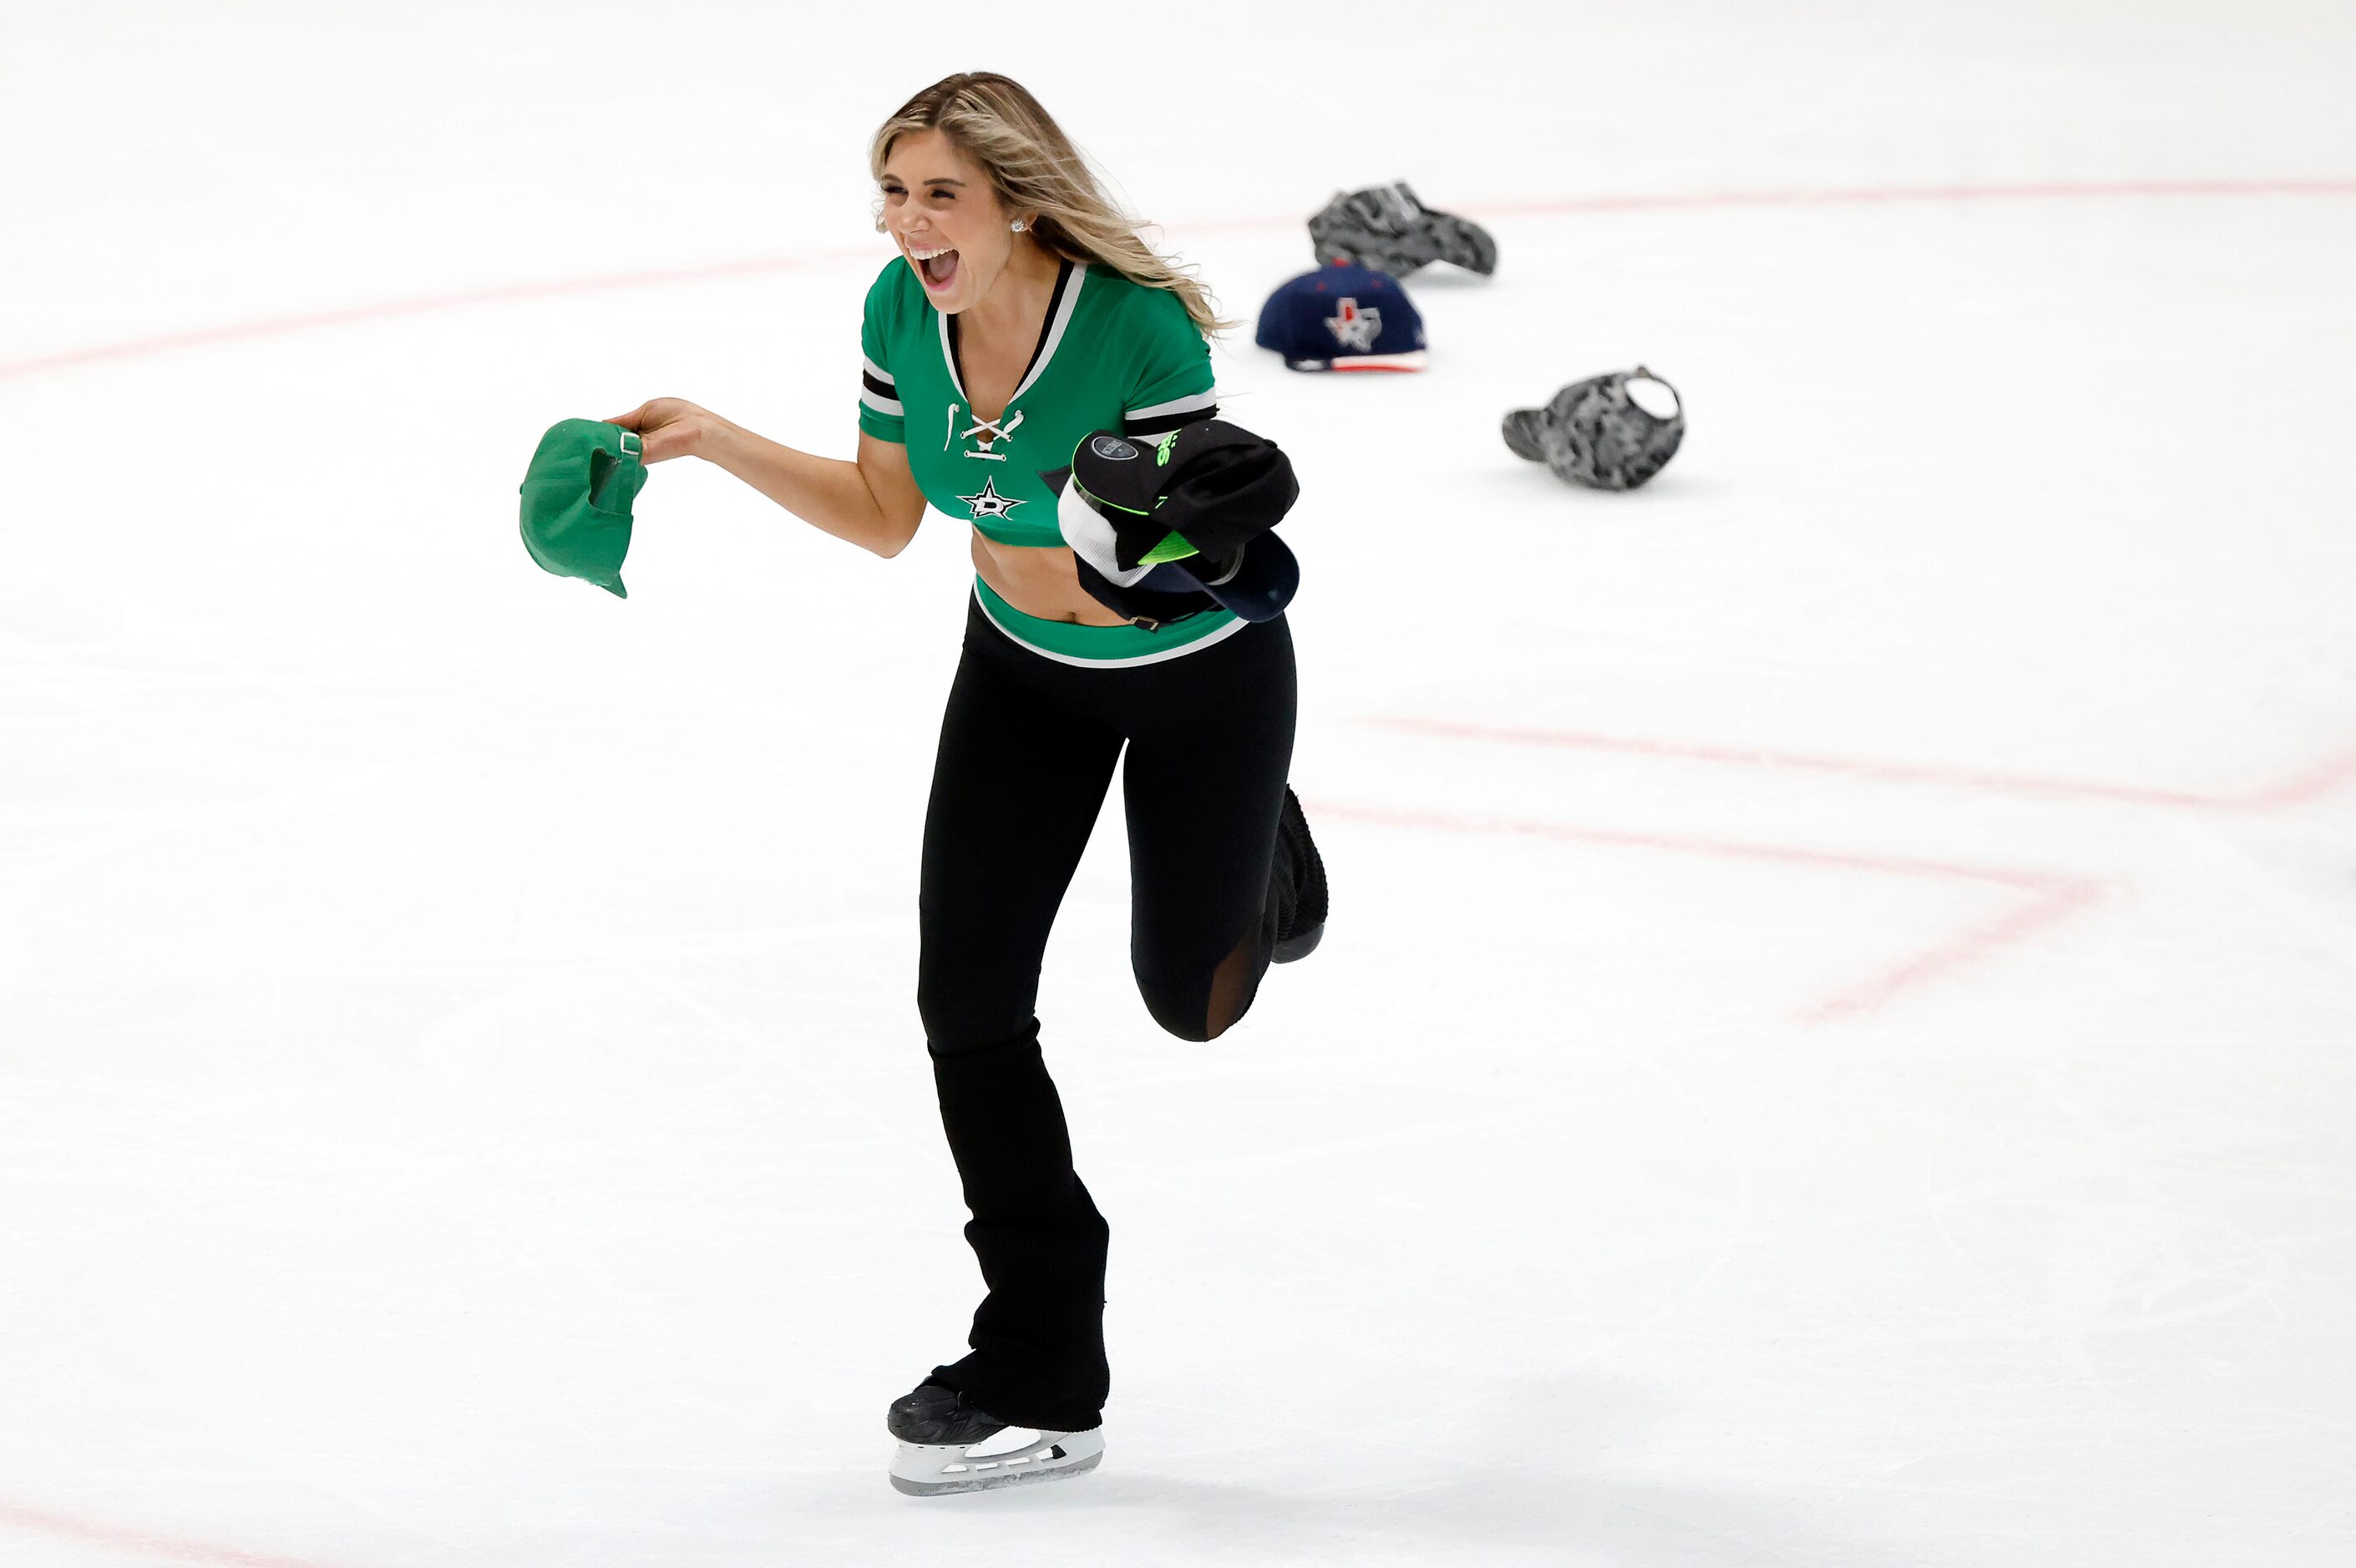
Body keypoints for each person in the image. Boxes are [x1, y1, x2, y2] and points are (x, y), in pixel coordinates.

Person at [607, 71, 1325, 1496]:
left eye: (936, 192)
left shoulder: (1133, 328)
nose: (905, 221)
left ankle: (1263, 849)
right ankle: (1041, 1364)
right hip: (1017, 675)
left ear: (1013, 199)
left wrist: (1146, 536)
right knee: (966, 1003)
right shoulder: (898, 316)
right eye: (890, 189)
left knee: (1193, 1003)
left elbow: (1179, 550)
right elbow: (887, 518)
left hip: (1192, 681)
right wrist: (714, 438)